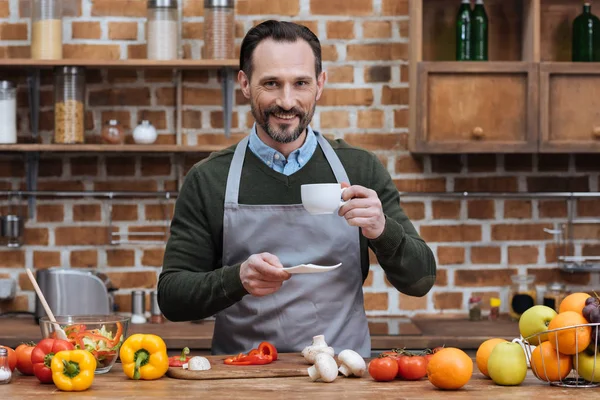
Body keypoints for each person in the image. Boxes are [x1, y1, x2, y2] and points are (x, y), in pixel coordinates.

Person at [157, 20, 436, 358]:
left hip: (343, 376)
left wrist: (382, 230)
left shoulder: (360, 168)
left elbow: (421, 281)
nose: (286, 101)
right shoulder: (209, 178)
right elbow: (172, 298)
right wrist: (236, 280)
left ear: (320, 84)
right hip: (241, 376)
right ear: (245, 84)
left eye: (300, 83)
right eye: (271, 83)